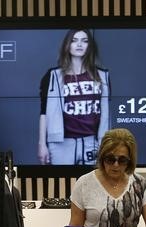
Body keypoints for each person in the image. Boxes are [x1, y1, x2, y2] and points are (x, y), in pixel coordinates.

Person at [38, 28, 110, 165]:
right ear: (67, 45)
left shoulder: (102, 76)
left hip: (93, 142)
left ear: (90, 46)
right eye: (74, 40)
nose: (79, 44)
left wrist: (105, 142)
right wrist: (42, 144)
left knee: (93, 184)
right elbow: (44, 113)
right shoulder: (53, 76)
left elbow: (105, 113)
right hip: (61, 143)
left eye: (84, 41)